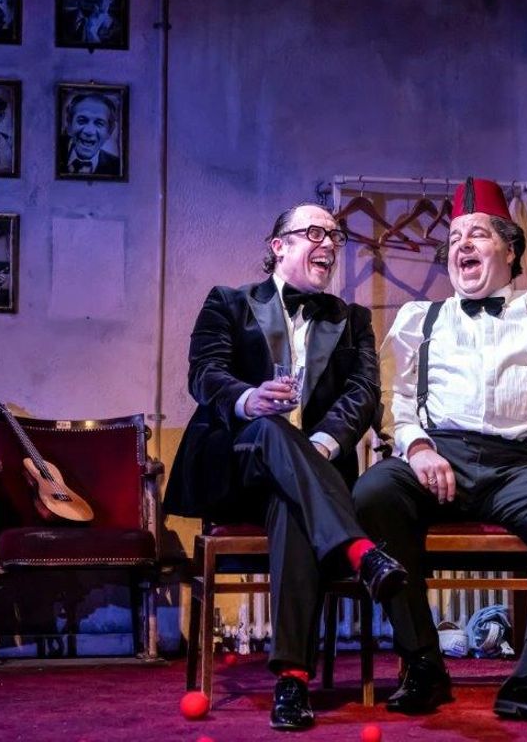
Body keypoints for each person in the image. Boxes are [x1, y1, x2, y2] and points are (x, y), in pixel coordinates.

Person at [353, 177, 527, 727]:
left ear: (509, 248)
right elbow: (392, 400)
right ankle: (422, 661)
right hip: (437, 459)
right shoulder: (419, 319)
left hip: (517, 467)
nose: (462, 246)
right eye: (455, 238)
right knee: (374, 490)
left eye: (477, 234)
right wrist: (417, 446)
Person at [162, 202, 407, 732]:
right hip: (235, 465)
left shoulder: (351, 319)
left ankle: (292, 681)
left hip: (310, 472)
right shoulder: (227, 302)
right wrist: (249, 399)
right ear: (279, 246)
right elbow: (204, 373)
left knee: (293, 504)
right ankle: (360, 551)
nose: (329, 243)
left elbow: (363, 393)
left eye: (335, 236)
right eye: (315, 232)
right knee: (272, 428)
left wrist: (319, 445)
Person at [57, 92, 121, 177]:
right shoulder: (53, 154)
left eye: (99, 123)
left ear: (109, 131)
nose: (89, 131)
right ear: (69, 124)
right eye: (82, 120)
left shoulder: (117, 167)